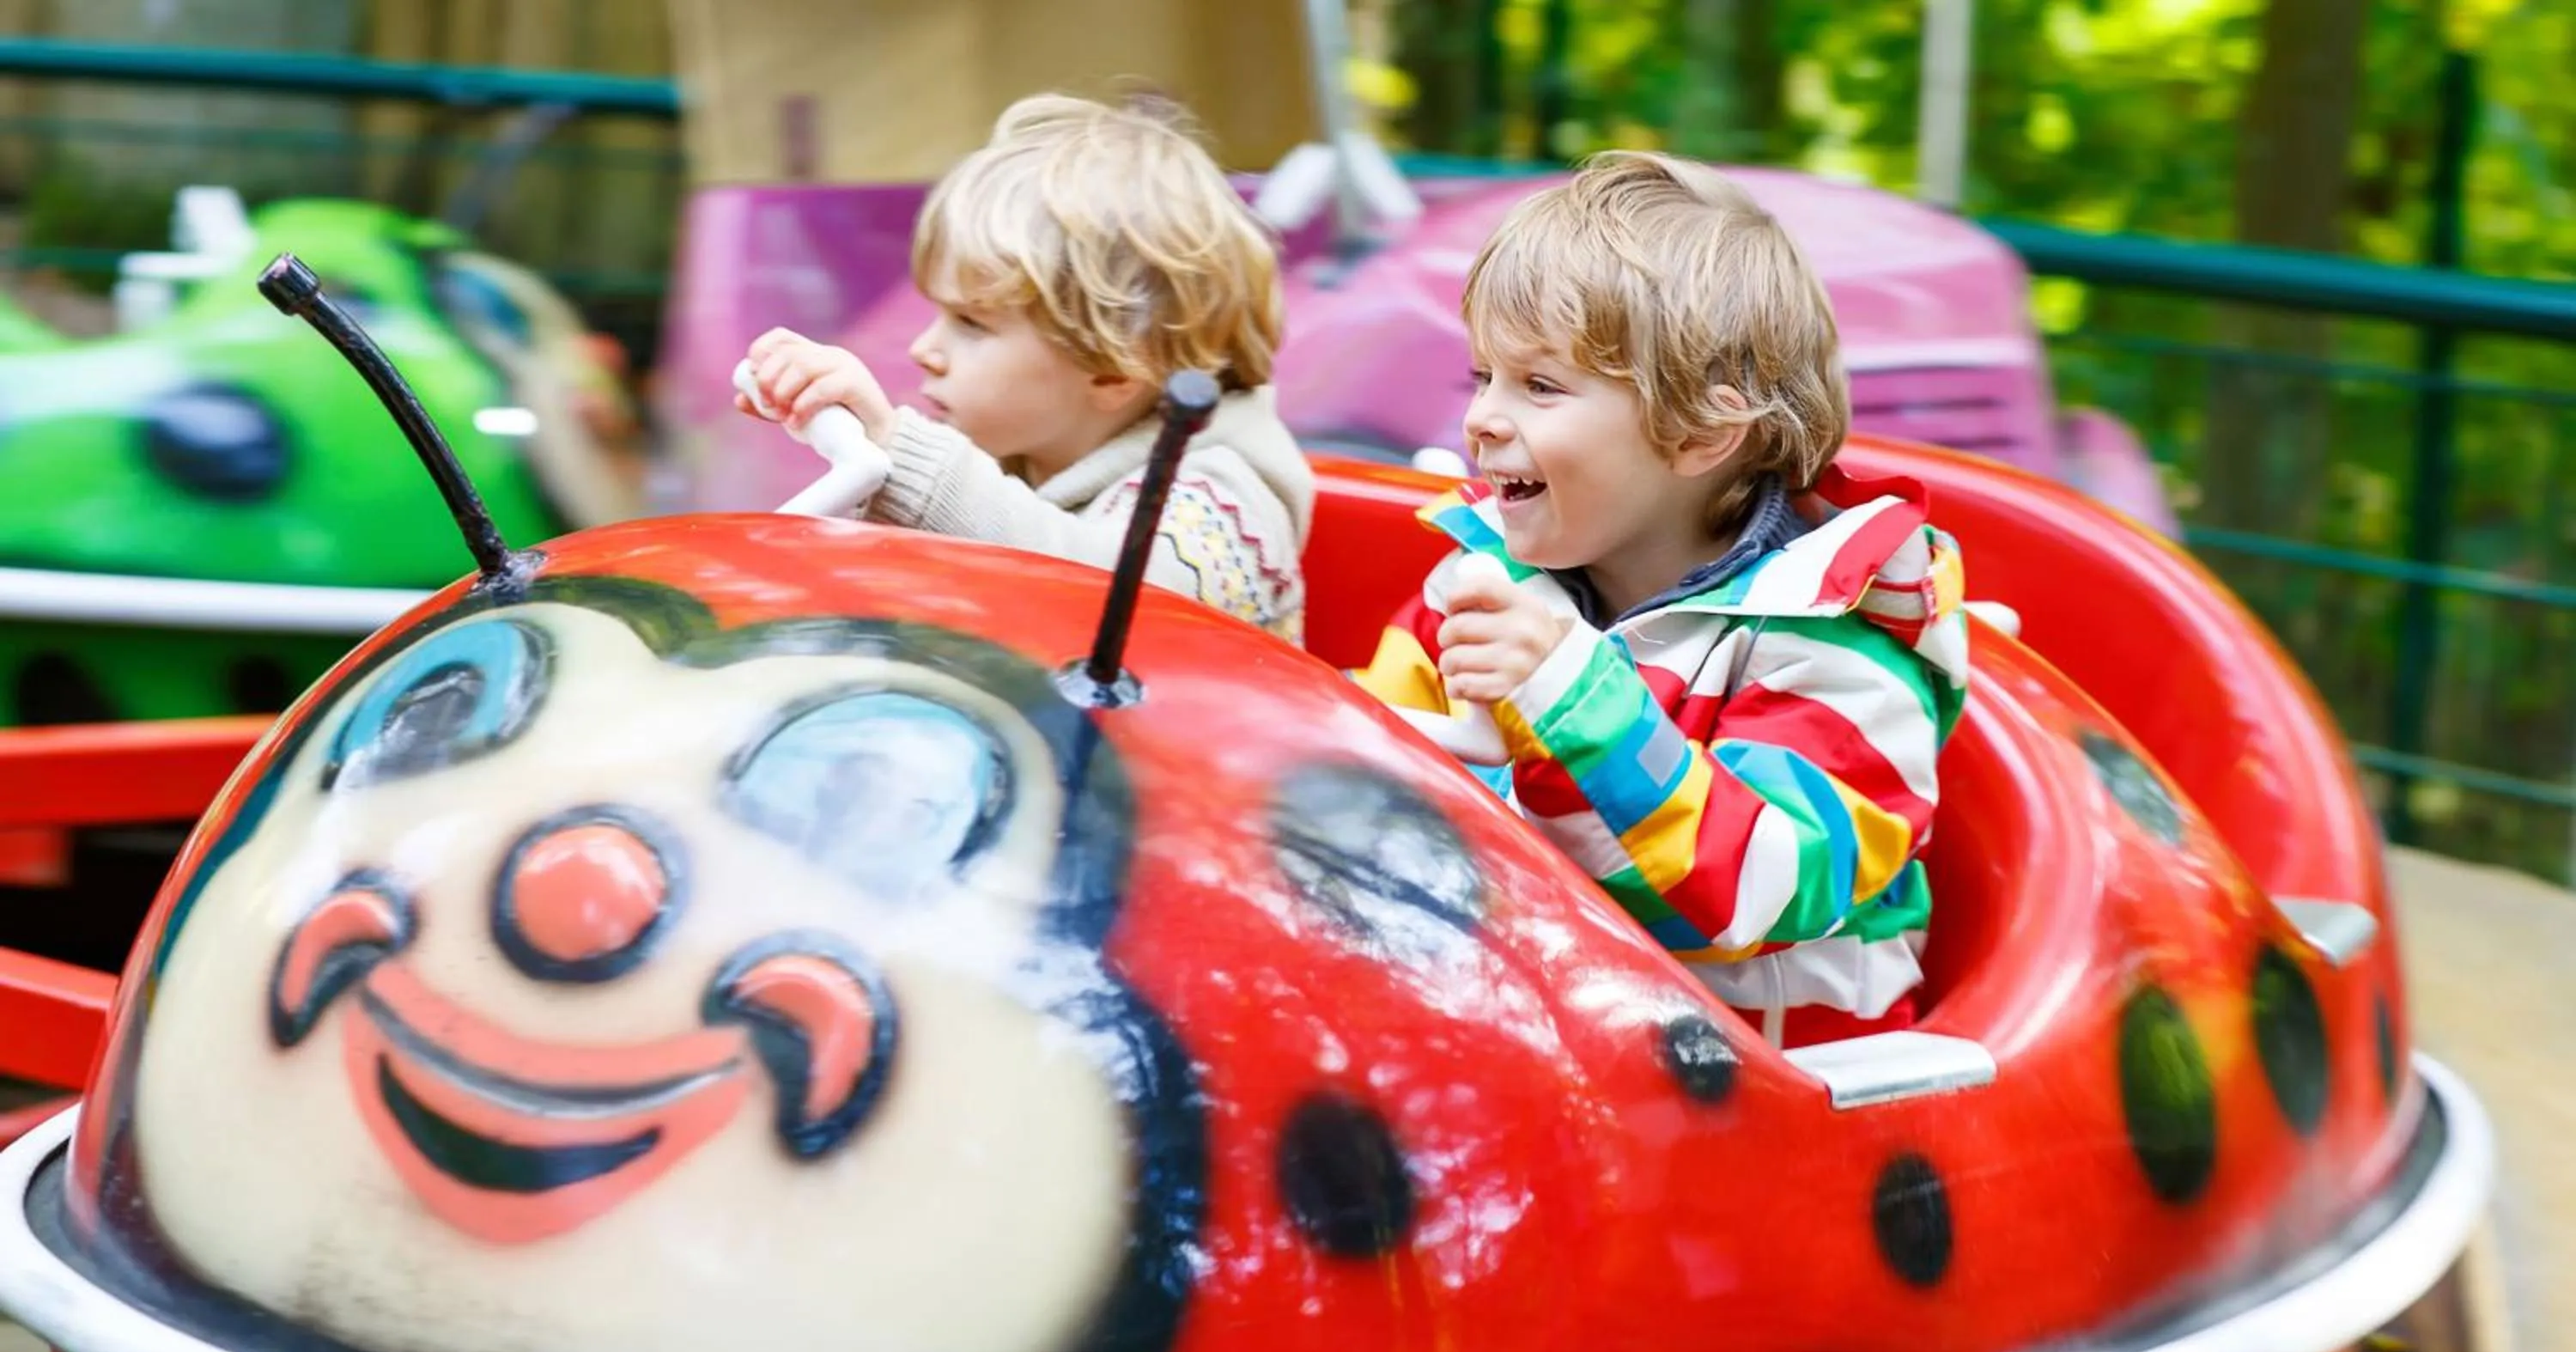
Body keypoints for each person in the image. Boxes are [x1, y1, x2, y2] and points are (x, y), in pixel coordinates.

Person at [1352, 150, 1971, 1047]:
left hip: (1767, 1090)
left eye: (1540, 385)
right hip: (1533, 1041)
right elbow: (1368, 762)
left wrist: (1574, 701)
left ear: (1699, 435)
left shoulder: (1838, 640)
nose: (1484, 417)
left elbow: (1765, 886)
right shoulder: (1489, 580)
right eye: (1483, 375)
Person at [737, 93, 1314, 642]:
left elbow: (1118, 606)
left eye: (972, 324)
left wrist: (903, 453)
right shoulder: (1031, 446)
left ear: (1112, 372)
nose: (923, 349)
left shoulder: (1220, 507)